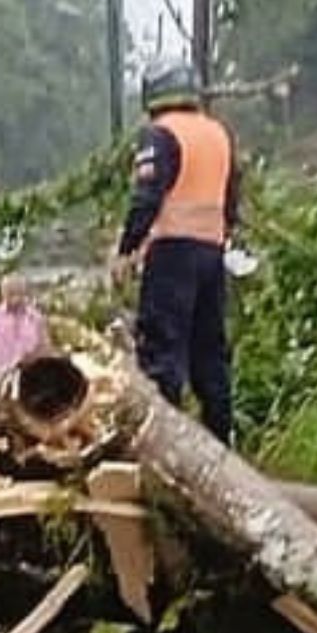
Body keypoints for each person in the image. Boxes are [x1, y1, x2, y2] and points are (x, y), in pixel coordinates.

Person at [110, 59, 240, 445]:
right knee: (209, 353)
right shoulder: (218, 134)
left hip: (171, 256)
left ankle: (164, 445)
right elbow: (232, 197)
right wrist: (224, 235)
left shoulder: (161, 133)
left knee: (162, 352)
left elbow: (146, 197)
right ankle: (220, 441)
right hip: (212, 255)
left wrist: (126, 248)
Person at [0, 272, 49, 374]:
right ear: (3, 293)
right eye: (11, 293)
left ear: (25, 293)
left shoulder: (36, 319)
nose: (16, 298)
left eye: (19, 293)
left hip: (29, 377)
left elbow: (44, 350)